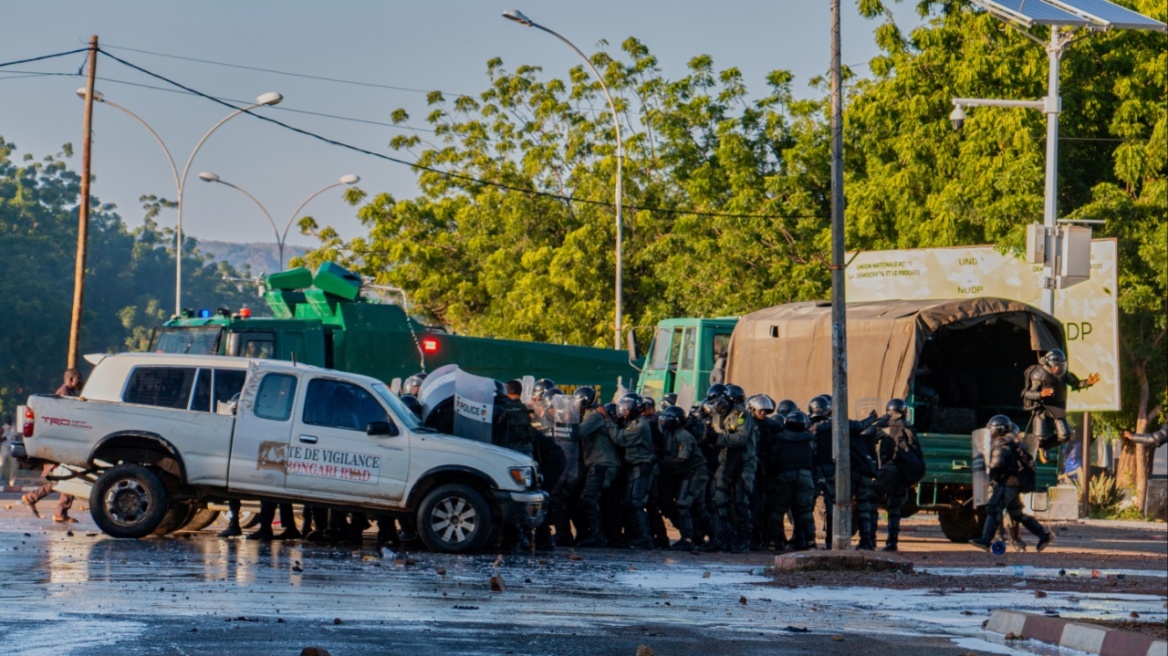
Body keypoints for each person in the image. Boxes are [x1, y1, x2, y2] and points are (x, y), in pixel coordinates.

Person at [972, 415, 1053, 552]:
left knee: (993, 508)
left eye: (991, 429)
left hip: (1007, 482)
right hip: (1014, 483)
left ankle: (986, 540)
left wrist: (987, 471)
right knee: (1017, 514)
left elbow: (998, 464)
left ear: (999, 429)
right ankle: (1043, 535)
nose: (989, 432)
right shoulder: (1013, 442)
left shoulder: (1002, 445)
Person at [700, 384, 759, 554]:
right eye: (714, 403)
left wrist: (716, 438)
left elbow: (740, 438)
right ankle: (720, 539)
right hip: (726, 461)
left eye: (720, 402)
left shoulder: (741, 415)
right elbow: (709, 433)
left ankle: (742, 541)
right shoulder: (716, 416)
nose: (718, 406)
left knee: (740, 501)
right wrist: (703, 424)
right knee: (718, 500)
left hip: (744, 461)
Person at [21, 369, 83, 522]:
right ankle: (37, 500)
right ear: (72, 379)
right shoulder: (65, 393)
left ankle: (54, 509)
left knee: (65, 478)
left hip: (62, 442)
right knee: (68, 477)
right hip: (62, 443)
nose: (81, 381)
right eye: (79, 379)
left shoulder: (67, 392)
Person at [657, 405, 713, 550]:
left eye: (667, 419)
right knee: (697, 508)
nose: (663, 422)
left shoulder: (683, 436)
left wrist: (661, 461)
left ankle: (689, 539)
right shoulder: (672, 434)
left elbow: (682, 459)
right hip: (691, 473)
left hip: (696, 473)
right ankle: (704, 537)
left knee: (684, 504)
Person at [872, 399, 924, 552]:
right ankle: (892, 543)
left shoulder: (886, 425)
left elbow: (869, 435)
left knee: (870, 498)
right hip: (904, 470)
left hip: (891, 467)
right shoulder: (909, 426)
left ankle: (869, 540)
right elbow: (916, 450)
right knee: (894, 506)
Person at [1021, 349, 1099, 451]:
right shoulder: (1039, 374)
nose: (1059, 369)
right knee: (1039, 438)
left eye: (1061, 365)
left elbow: (1076, 383)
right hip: (1041, 407)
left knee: (1065, 436)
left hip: (1057, 406)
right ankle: (1038, 445)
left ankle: (1045, 448)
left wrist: (1087, 382)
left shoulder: (1063, 374)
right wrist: (1040, 394)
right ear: (1050, 365)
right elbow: (1026, 394)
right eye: (1057, 366)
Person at [608, 393, 657, 549]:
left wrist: (609, 422)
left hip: (642, 465)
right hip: (634, 465)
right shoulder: (632, 421)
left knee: (636, 502)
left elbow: (620, 438)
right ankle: (634, 536)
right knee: (628, 502)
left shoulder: (640, 425)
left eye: (628, 407)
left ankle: (645, 539)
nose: (625, 410)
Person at [574, 386, 620, 548]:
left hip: (603, 463)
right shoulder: (589, 415)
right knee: (595, 499)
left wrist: (563, 422)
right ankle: (599, 534)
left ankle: (597, 536)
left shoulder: (593, 416)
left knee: (590, 497)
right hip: (598, 463)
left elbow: (579, 432)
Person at [767, 410, 818, 551]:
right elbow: (815, 458)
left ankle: (773, 542)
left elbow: (772, 460)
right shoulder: (810, 439)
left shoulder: (779, 439)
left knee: (778, 510)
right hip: (805, 476)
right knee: (805, 510)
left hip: (784, 475)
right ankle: (810, 542)